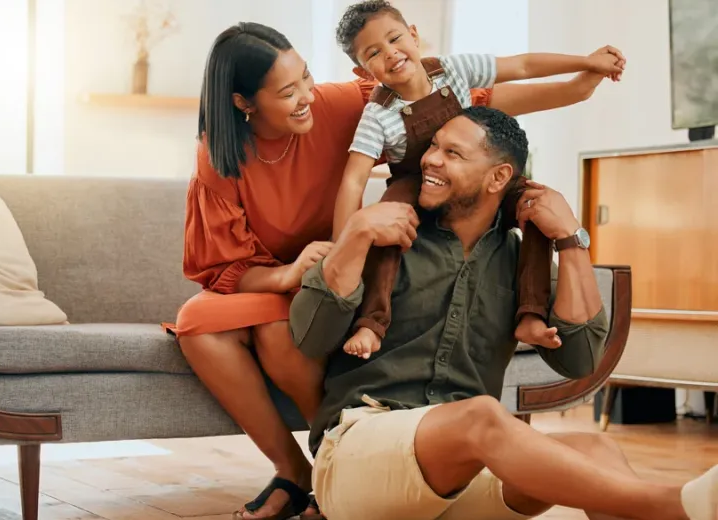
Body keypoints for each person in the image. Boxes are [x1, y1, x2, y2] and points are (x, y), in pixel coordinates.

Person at [165, 20, 618, 520]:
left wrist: (580, 86)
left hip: (358, 262)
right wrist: (320, 257)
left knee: (597, 456)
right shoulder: (222, 157)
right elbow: (225, 263)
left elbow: (474, 101)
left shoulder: (347, 102)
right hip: (307, 270)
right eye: (287, 92)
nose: (307, 98)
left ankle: (337, 459)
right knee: (204, 323)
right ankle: (305, 465)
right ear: (244, 103)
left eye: (308, 79)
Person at [289, 106, 718, 520]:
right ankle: (675, 507)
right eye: (434, 146)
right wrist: (358, 231)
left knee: (597, 450)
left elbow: (581, 359)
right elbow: (311, 336)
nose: (431, 160)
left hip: (462, 472)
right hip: (360, 454)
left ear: (499, 177)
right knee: (482, 415)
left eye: (452, 153)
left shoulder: (521, 263)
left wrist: (571, 240)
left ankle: (676, 512)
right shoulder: (385, 234)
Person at [331, 0, 626, 360]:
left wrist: (586, 62)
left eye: (394, 39)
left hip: (475, 171)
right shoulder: (377, 115)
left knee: (537, 204)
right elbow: (352, 182)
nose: (391, 54)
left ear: (413, 34)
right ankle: (372, 322)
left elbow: (522, 65)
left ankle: (531, 314)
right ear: (363, 72)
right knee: (387, 227)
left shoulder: (453, 69)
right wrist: (342, 244)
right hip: (415, 180)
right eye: (374, 53)